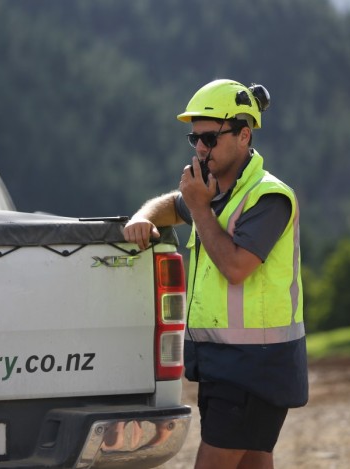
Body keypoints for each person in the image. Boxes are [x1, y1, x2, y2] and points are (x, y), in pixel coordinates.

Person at [123, 79, 308, 469]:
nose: (201, 148)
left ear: (244, 135)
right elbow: (168, 206)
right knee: (253, 462)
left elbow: (236, 267)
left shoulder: (267, 196)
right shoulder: (214, 193)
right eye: (195, 140)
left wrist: (199, 209)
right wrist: (143, 217)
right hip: (226, 363)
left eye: (209, 137)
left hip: (254, 366)